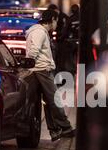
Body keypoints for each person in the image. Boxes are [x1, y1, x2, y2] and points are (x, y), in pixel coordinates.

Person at [26, 9, 75, 141]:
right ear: (52, 19)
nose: (57, 24)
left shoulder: (39, 31)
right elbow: (33, 51)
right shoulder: (39, 32)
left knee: (48, 101)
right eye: (56, 21)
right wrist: (33, 62)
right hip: (42, 70)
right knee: (55, 99)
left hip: (39, 69)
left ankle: (55, 130)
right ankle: (65, 128)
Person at [47, 3, 70, 72]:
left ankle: (60, 71)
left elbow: (65, 29)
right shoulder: (62, 16)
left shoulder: (63, 17)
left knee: (60, 57)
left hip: (61, 41)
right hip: (58, 40)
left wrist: (59, 36)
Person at [61, 4, 80, 74]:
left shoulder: (70, 19)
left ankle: (73, 69)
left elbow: (65, 30)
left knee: (70, 56)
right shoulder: (83, 18)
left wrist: (61, 38)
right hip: (80, 41)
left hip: (72, 40)